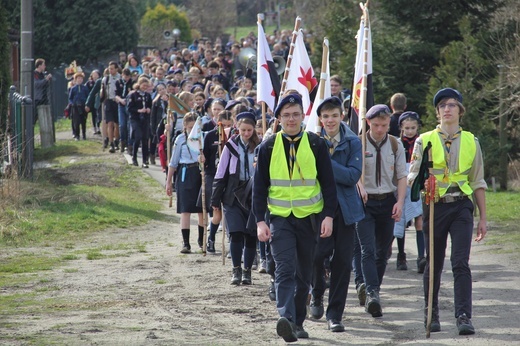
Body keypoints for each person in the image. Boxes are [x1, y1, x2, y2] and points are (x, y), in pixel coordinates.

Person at [253, 94, 337, 343]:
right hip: (280, 219)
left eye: (295, 114)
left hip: (309, 219)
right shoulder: (267, 147)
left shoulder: (316, 144)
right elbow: (259, 188)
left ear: (303, 116)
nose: (291, 119)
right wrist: (260, 221)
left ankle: (298, 322)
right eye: (286, 115)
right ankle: (286, 318)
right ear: (278, 119)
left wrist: (328, 217)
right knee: (285, 269)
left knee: (304, 275)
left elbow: (329, 186)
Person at [408, 88, 487, 335]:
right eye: (443, 105)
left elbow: (478, 181)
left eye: (452, 105)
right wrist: (422, 181)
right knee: (434, 262)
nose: (447, 108)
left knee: (460, 262)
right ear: (437, 111)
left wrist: (483, 218)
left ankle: (463, 316)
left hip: (462, 205)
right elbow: (412, 174)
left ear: (460, 111)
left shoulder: (471, 142)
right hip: (434, 205)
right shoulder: (424, 140)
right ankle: (431, 314)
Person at [308, 97, 364, 333]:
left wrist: (326, 162)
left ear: (342, 116)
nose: (330, 120)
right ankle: (317, 294)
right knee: (316, 255)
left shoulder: (352, 142)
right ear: (320, 119)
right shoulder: (311, 142)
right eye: (325, 116)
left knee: (342, 263)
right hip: (319, 208)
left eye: (334, 115)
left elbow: (352, 176)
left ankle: (335, 314)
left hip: (346, 210)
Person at [355, 104, 407, 318]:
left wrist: (400, 202)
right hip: (364, 203)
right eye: (375, 125)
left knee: (382, 252)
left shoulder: (396, 144)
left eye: (384, 125)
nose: (379, 129)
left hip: (387, 200)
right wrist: (359, 186)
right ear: (368, 122)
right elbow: (354, 171)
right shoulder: (357, 143)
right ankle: (373, 293)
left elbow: (402, 176)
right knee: (367, 249)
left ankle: (372, 289)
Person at [211, 112, 260, 284]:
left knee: (251, 235)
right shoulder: (230, 146)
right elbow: (221, 172)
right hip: (232, 195)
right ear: (237, 128)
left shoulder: (260, 146)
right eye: (243, 130)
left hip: (253, 194)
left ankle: (247, 271)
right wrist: (215, 199)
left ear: (254, 129)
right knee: (236, 234)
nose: (246, 133)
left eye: (249, 130)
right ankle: (236, 270)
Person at [166, 112, 204, 254]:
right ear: (185, 126)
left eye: (195, 127)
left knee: (201, 209)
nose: (192, 130)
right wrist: (169, 182)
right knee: (185, 209)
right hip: (185, 173)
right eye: (189, 127)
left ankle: (202, 240)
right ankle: (186, 243)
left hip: (199, 173)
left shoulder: (202, 138)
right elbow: (173, 162)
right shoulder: (180, 139)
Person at [393, 111, 426, 272]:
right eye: (407, 128)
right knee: (401, 220)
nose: (410, 131)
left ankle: (421, 257)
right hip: (401, 183)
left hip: (417, 184)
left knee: (419, 219)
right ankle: (401, 255)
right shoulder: (398, 143)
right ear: (401, 127)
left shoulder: (422, 142)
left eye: (413, 128)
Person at [201, 110, 233, 253]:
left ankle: (232, 242)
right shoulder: (209, 136)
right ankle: (211, 238)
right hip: (213, 176)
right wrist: (201, 160)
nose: (225, 128)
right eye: (222, 125)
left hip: (229, 178)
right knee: (217, 214)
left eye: (228, 125)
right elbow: (205, 159)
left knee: (230, 213)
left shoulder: (233, 136)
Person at [127, 76, 152, 168]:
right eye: (143, 85)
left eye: (146, 86)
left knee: (145, 139)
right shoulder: (133, 95)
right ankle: (134, 157)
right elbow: (129, 108)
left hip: (145, 119)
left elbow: (150, 105)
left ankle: (145, 160)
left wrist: (148, 109)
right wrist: (139, 110)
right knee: (137, 137)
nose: (145, 87)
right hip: (135, 118)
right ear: (139, 84)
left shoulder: (147, 95)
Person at [115, 68, 135, 153]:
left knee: (129, 125)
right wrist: (121, 100)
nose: (126, 78)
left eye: (127, 77)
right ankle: (122, 142)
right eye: (125, 76)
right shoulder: (118, 82)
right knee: (122, 125)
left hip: (129, 105)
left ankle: (129, 144)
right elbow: (116, 95)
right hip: (121, 105)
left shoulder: (132, 83)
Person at [68, 72, 90, 140]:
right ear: (75, 79)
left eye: (81, 78)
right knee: (76, 121)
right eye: (78, 78)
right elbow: (70, 98)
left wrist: (87, 104)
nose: (79, 80)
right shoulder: (73, 88)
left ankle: (84, 134)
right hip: (76, 107)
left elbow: (88, 96)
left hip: (83, 106)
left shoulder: (85, 88)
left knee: (83, 121)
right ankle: (77, 135)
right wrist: (72, 103)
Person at [33, 58, 52, 125]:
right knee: (34, 116)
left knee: (45, 116)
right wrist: (45, 80)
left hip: (44, 97)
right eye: (43, 65)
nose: (45, 66)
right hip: (37, 98)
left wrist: (48, 80)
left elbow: (46, 85)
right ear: (39, 66)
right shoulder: (34, 74)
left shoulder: (43, 74)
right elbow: (36, 84)